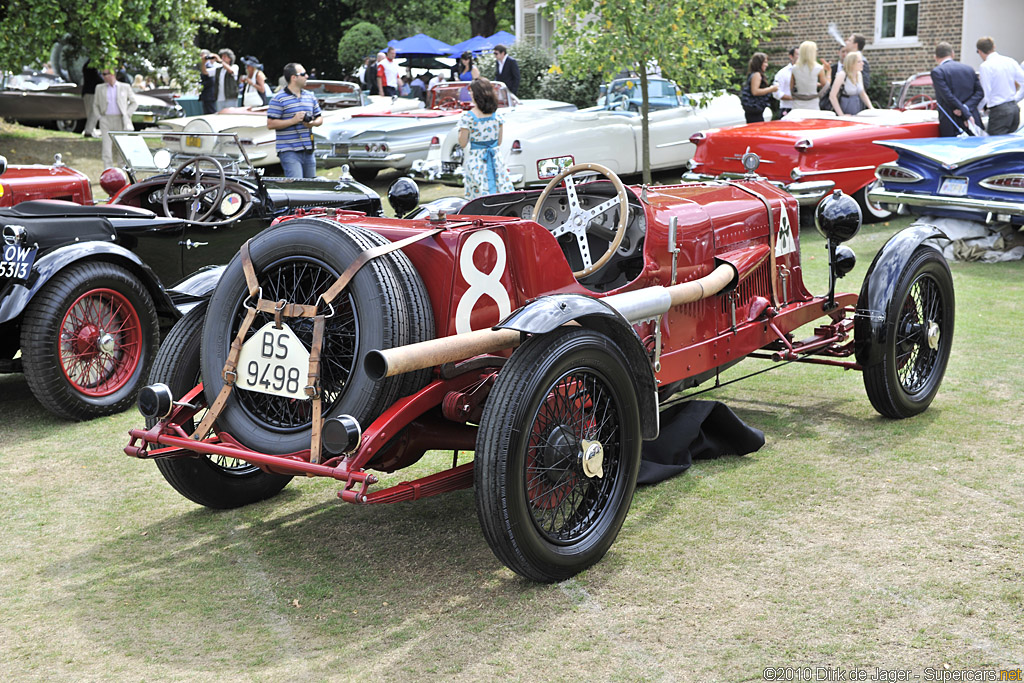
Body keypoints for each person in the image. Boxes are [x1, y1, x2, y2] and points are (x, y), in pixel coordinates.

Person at [458, 78, 513, 199]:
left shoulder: (468, 118)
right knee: (500, 194)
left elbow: (462, 143)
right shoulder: (497, 115)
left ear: (475, 94)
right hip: (495, 160)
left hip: (477, 162)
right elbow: (498, 142)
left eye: (471, 91)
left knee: (479, 198)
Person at [266, 63, 323, 178]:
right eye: (303, 74)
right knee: (296, 185)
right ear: (294, 78)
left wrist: (312, 123)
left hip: (308, 150)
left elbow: (320, 118)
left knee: (311, 186)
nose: (307, 76)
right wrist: (293, 120)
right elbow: (270, 124)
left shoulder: (310, 96)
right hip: (289, 150)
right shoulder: (278, 98)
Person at [931, 42, 984, 137]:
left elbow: (948, 96)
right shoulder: (968, 69)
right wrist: (966, 108)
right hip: (972, 117)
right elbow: (980, 92)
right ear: (952, 53)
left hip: (952, 121)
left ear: (935, 57)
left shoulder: (938, 72)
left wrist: (964, 112)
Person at [976, 36, 1024, 135]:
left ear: (980, 51)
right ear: (994, 46)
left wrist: (977, 108)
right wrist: (1016, 98)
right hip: (1013, 108)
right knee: (1010, 144)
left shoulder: (985, 66)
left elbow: (985, 93)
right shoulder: (1009, 61)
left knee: (995, 144)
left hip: (999, 110)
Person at [92, 68, 137, 169]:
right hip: (106, 120)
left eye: (105, 74)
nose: (103, 76)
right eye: (102, 74)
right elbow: (95, 105)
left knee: (122, 147)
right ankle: (108, 170)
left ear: (112, 74)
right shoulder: (99, 87)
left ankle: (122, 171)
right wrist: (99, 117)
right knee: (106, 147)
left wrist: (127, 114)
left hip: (120, 120)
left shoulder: (125, 87)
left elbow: (134, 102)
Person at [790, 41, 830, 111]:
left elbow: (791, 87)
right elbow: (826, 85)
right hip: (813, 103)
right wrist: (829, 72)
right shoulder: (818, 68)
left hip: (798, 104)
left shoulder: (794, 68)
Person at [830, 51, 873, 115]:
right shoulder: (842, 75)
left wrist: (871, 108)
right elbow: (832, 96)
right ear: (851, 63)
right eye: (859, 62)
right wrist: (841, 115)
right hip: (845, 106)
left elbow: (862, 93)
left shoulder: (859, 74)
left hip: (857, 106)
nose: (862, 63)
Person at [740, 52, 777, 123]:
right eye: (765, 62)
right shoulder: (757, 74)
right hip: (754, 109)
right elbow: (755, 91)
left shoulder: (753, 74)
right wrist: (771, 89)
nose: (767, 65)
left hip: (755, 110)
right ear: (759, 63)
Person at [772, 46, 797, 117]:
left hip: (803, 109)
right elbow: (777, 93)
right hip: (788, 108)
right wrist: (793, 98)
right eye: (798, 54)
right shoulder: (782, 73)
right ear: (791, 57)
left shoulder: (806, 72)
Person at [81, 60, 103, 138]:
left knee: (90, 112)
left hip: (87, 91)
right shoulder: (92, 66)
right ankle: (89, 131)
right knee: (94, 112)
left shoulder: (86, 65)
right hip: (92, 92)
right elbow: (97, 78)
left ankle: (91, 130)